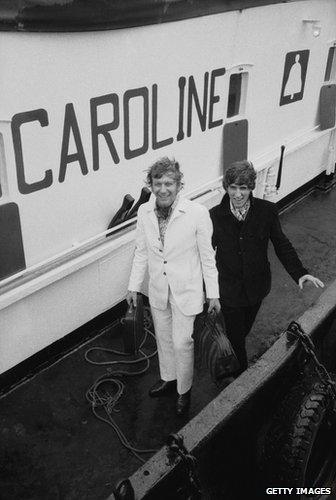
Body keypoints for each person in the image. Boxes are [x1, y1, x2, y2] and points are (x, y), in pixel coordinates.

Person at [210, 160, 324, 375]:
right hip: (229, 289)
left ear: (251, 187)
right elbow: (206, 254)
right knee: (236, 337)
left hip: (257, 286)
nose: (237, 194)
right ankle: (239, 376)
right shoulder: (214, 216)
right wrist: (207, 291)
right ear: (226, 187)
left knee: (242, 331)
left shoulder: (267, 211)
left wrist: (301, 273)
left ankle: (230, 358)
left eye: (243, 188)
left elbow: (281, 244)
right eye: (232, 187)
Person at [126, 157, 221, 415]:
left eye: (169, 183)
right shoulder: (144, 212)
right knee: (164, 339)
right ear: (151, 185)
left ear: (179, 185)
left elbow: (207, 257)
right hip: (158, 289)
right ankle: (168, 378)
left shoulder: (197, 213)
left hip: (186, 291)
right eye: (158, 183)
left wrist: (213, 293)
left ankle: (184, 390)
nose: (163, 189)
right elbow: (141, 252)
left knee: (182, 343)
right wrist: (134, 287)